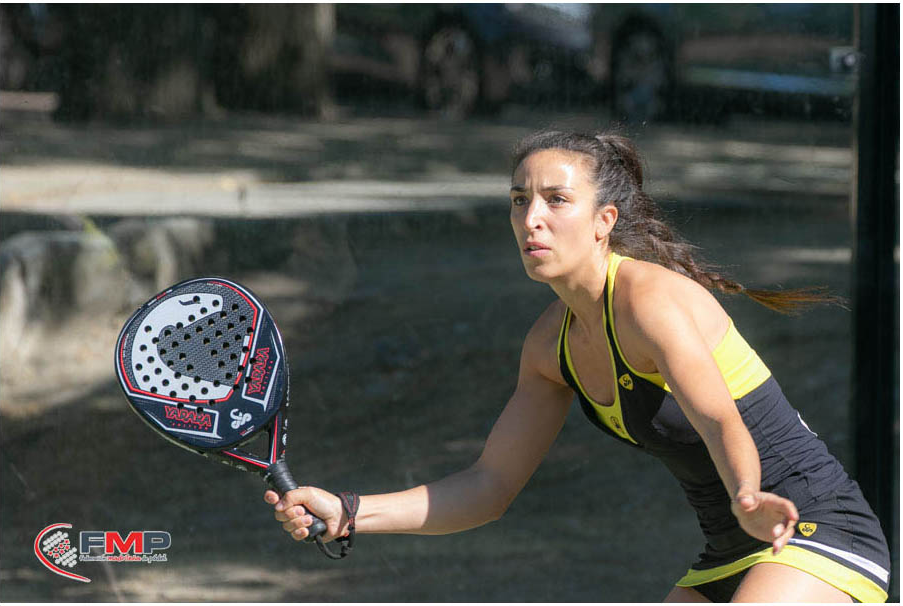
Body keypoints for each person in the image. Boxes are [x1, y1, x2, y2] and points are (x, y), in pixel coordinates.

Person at [264, 130, 890, 602]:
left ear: (603, 222)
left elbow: (720, 420)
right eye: (519, 200)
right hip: (726, 556)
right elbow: (489, 486)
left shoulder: (649, 301)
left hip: (814, 532)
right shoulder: (548, 348)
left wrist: (747, 496)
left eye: (556, 200)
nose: (531, 219)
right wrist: (350, 512)